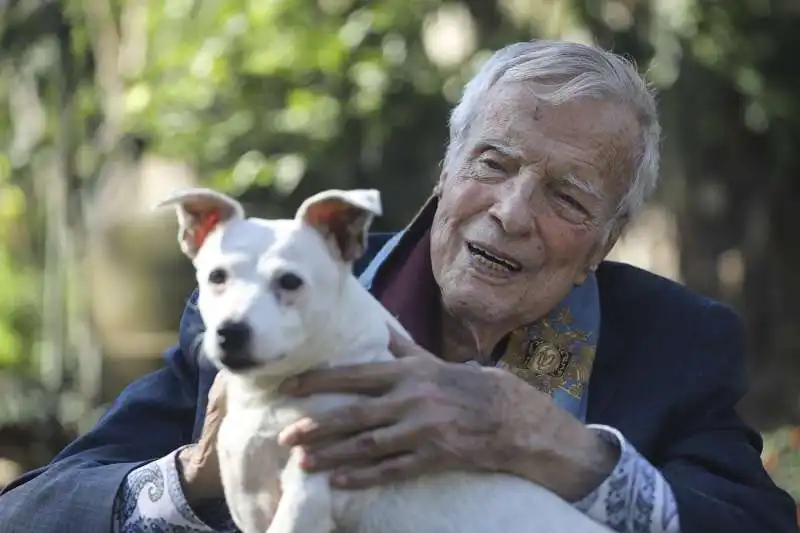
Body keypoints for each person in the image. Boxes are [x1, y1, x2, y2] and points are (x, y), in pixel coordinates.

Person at [0, 39, 796, 533]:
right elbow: (31, 512)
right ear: (446, 173)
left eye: (568, 197)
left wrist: (564, 450)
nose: (512, 212)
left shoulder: (676, 341)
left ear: (603, 244)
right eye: (494, 163)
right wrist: (197, 474)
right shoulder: (271, 303)